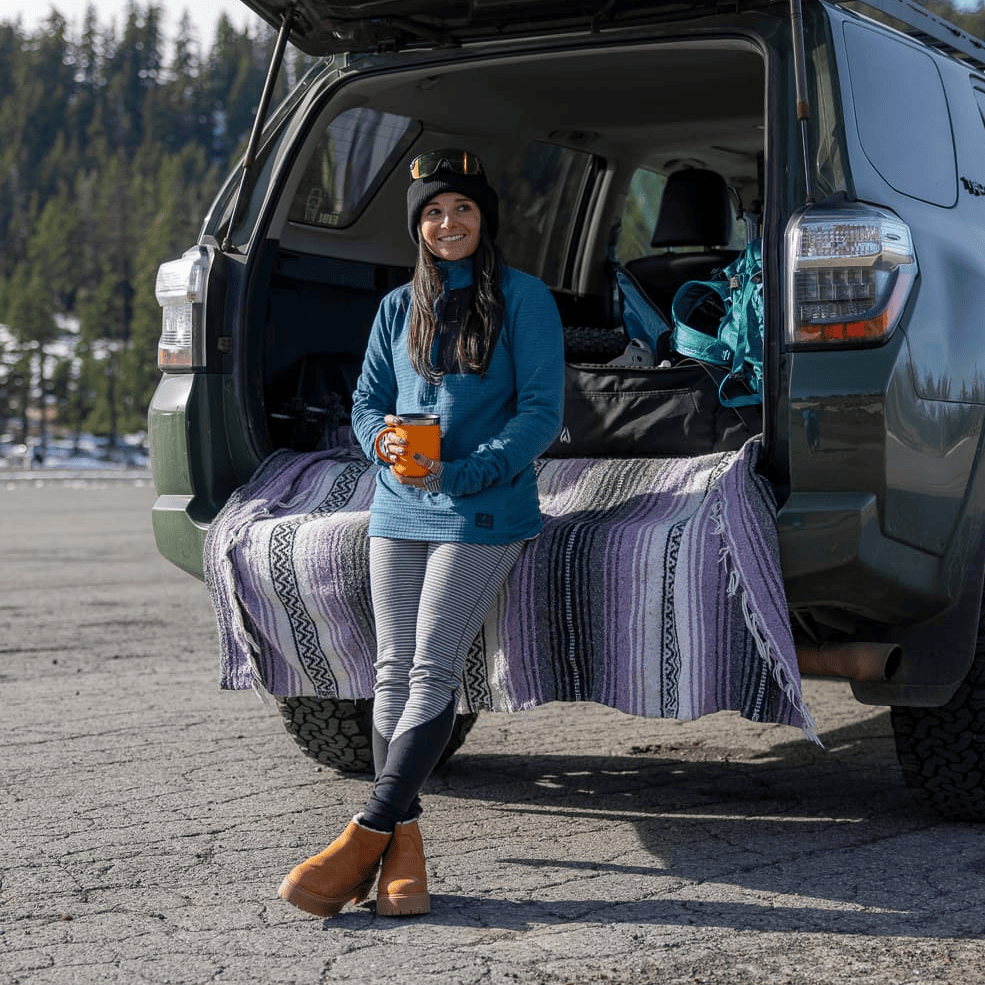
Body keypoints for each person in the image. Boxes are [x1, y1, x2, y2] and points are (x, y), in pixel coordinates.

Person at [277, 149, 565, 918]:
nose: (448, 223)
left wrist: (467, 472)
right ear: (419, 227)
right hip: (399, 503)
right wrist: (382, 446)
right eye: (434, 213)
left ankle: (364, 834)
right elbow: (366, 401)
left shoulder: (525, 299)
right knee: (392, 667)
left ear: (484, 219)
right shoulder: (398, 306)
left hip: (483, 506)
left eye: (462, 209)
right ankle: (404, 855)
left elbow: (541, 411)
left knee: (432, 670)